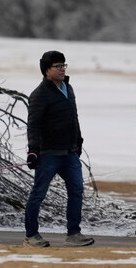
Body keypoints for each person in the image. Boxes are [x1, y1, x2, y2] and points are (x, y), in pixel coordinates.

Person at [23, 50, 95, 248]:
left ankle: (74, 233)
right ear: (47, 70)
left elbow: (74, 118)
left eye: (64, 65)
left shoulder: (68, 88)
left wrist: (78, 142)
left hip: (69, 153)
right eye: (58, 66)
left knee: (77, 190)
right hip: (48, 154)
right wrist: (33, 150)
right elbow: (33, 125)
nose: (63, 69)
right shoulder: (39, 95)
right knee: (38, 193)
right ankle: (31, 235)